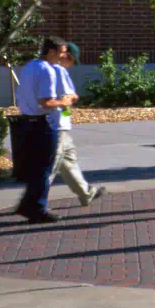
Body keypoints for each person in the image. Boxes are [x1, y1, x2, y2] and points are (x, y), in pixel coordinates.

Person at [14, 36, 76, 223]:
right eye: (62, 52)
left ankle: (27, 204)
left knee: (35, 168)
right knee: (44, 168)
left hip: (26, 122)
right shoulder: (47, 70)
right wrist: (63, 102)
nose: (64, 56)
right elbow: (46, 101)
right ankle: (37, 208)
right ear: (51, 52)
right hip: (43, 124)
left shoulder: (29, 67)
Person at [50, 42, 102, 209]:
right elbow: (67, 97)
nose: (72, 66)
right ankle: (35, 201)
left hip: (59, 125)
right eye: (73, 62)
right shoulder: (59, 71)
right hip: (58, 126)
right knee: (50, 167)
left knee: (68, 161)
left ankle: (86, 193)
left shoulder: (49, 70)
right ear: (68, 57)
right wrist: (71, 102)